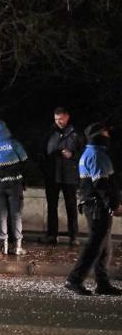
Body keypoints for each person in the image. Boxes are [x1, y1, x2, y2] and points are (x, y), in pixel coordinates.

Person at [65, 123, 122, 296]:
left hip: (95, 204)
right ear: (98, 136)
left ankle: (102, 283)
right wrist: (113, 204)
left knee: (104, 246)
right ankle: (74, 279)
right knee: (95, 245)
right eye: (105, 133)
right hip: (97, 205)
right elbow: (101, 184)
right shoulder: (96, 154)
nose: (108, 135)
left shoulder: (93, 153)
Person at [0, 120, 28, 255]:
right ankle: (18, 247)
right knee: (16, 215)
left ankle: (3, 246)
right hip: (14, 185)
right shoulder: (14, 144)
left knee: (1, 215)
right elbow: (25, 159)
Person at [42, 107, 83, 245]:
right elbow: (41, 152)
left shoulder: (76, 134)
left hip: (69, 175)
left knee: (71, 206)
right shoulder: (48, 133)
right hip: (52, 175)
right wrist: (45, 166)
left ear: (67, 117)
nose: (58, 121)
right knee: (51, 206)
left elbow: (84, 154)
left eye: (61, 119)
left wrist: (72, 155)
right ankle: (52, 235)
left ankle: (74, 236)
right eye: (56, 119)